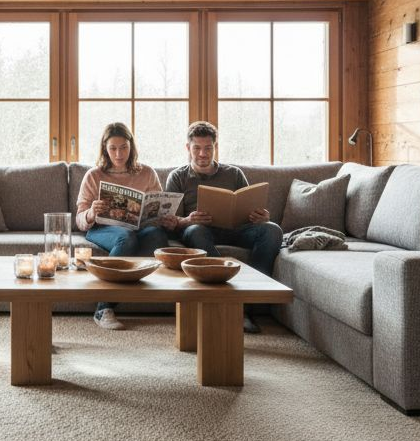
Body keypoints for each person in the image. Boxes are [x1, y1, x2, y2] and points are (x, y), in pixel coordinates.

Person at [165, 121, 283, 334]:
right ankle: (229, 301)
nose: (203, 153)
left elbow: (251, 204)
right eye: (197, 148)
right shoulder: (178, 177)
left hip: (237, 228)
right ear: (188, 148)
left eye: (208, 148)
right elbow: (171, 222)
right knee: (194, 231)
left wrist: (261, 216)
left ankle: (247, 303)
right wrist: (188, 219)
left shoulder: (234, 174)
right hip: (201, 230)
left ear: (215, 147)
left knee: (272, 229)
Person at [76, 122, 176, 330]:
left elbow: (157, 208)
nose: (119, 154)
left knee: (157, 236)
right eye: (113, 148)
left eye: (123, 147)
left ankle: (132, 292)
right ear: (105, 148)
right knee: (126, 238)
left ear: (132, 147)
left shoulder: (147, 173)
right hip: (103, 229)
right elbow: (79, 220)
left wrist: (161, 216)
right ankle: (103, 308)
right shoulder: (94, 175)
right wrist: (92, 213)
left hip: (139, 227)